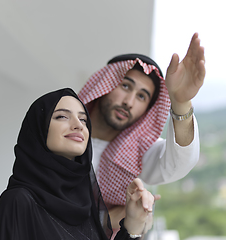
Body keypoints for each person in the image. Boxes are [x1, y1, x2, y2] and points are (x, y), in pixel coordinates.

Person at [0, 88, 157, 240]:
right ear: (39, 129)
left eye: (83, 120)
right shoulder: (18, 201)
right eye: (62, 116)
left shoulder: (84, 204)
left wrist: (133, 225)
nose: (78, 126)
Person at [78, 33, 205, 229]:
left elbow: (179, 162)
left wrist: (181, 102)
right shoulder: (60, 132)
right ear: (106, 85)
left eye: (142, 97)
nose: (128, 102)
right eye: (125, 86)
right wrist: (109, 219)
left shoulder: (137, 152)